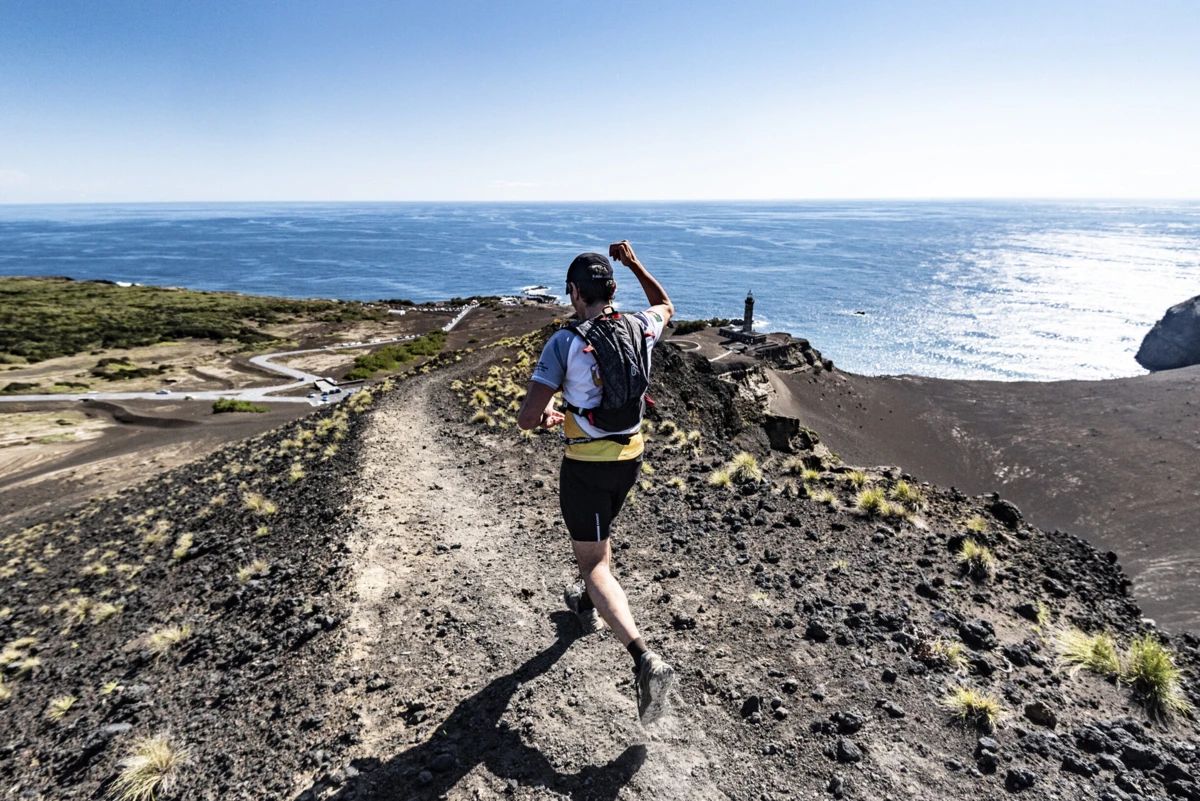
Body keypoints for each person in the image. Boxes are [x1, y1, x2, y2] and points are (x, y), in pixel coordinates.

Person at [516, 240, 677, 725]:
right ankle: (583, 604)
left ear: (573, 292)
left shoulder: (564, 342)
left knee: (595, 564)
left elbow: (526, 418)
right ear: (610, 288)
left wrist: (548, 415)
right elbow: (666, 305)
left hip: (586, 465)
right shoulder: (639, 326)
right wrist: (635, 264)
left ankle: (644, 658)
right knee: (599, 545)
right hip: (630, 459)